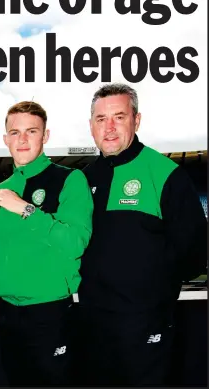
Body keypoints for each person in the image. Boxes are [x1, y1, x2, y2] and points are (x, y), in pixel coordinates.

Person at [77, 83, 208, 386]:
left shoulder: (165, 174)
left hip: (145, 323)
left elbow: (194, 252)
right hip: (92, 322)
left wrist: (151, 290)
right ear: (91, 126)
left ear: (136, 121)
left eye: (119, 117)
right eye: (101, 119)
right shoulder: (82, 179)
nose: (109, 128)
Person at [0, 101, 93, 386]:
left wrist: (26, 209)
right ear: (6, 139)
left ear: (45, 136)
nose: (22, 140)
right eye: (15, 133)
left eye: (31, 131)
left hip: (49, 312)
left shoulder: (71, 179)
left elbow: (76, 243)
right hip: (7, 310)